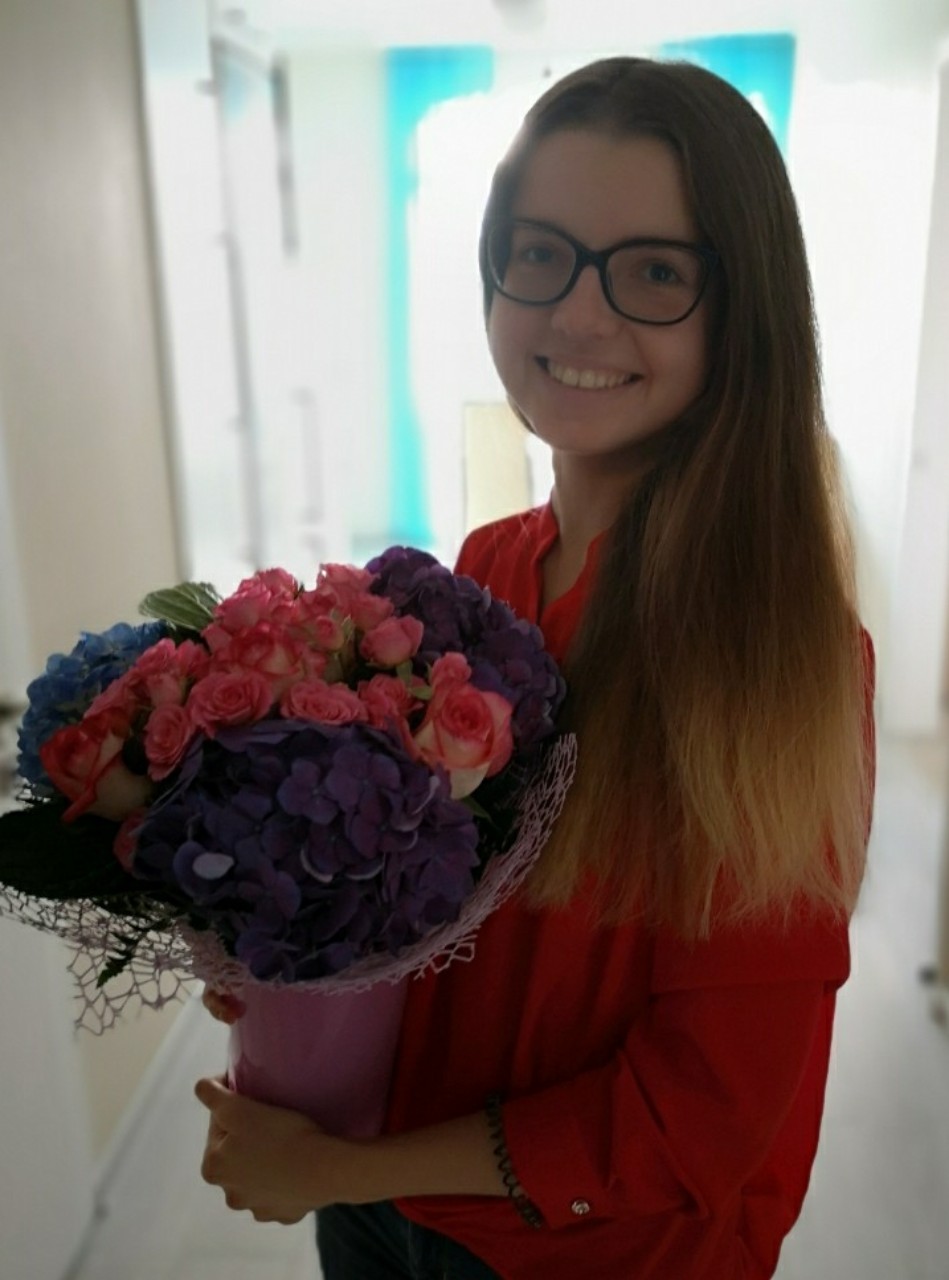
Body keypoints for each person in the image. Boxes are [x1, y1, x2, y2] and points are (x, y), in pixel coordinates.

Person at [195, 56, 876, 1279]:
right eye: (540, 253)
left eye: (653, 271)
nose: (576, 315)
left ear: (741, 313)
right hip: (384, 1193)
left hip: (589, 1251)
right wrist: (295, 962)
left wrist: (344, 1171)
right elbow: (430, 907)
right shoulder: (478, 574)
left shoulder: (779, 658)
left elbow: (704, 1115)